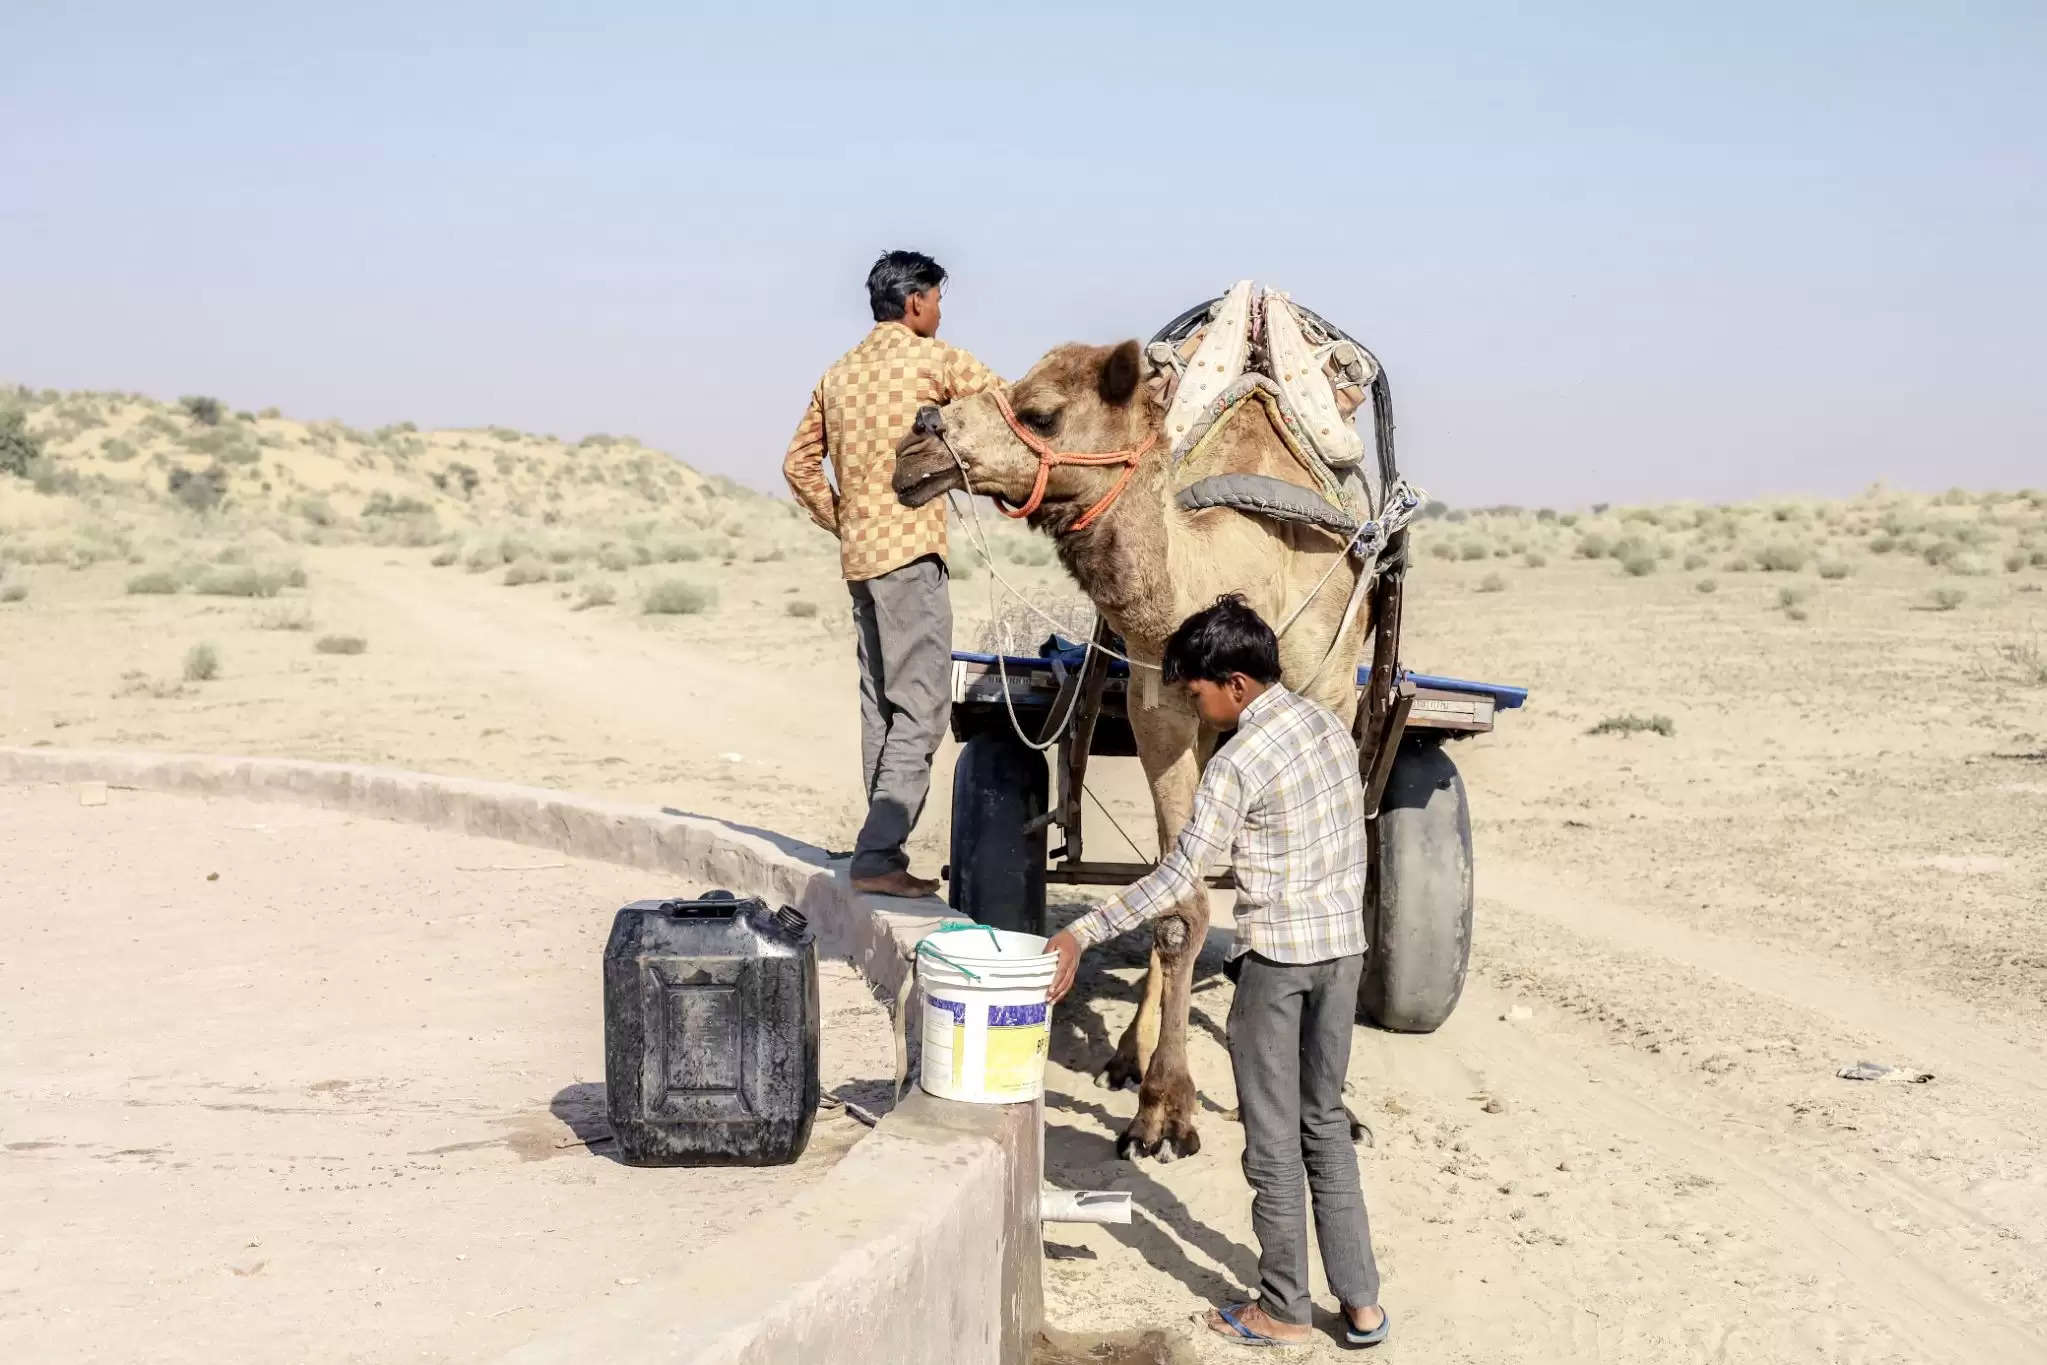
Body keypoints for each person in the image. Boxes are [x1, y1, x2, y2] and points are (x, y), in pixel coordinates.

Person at [1045, 595, 1391, 1350]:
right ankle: (1361, 1303)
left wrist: (1079, 930)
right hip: (1342, 955)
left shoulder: (1237, 760)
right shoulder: (1328, 726)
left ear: (1234, 683)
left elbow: (1179, 878)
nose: (1192, 706)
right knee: (1324, 1121)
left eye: (1195, 692)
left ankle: (1283, 1310)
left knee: (1271, 1140)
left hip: (1277, 965)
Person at [782, 250, 1006, 898]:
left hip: (860, 559)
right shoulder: (932, 359)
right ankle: (879, 853)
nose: (938, 311)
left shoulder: (837, 373)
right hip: (909, 554)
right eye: (936, 300)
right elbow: (1006, 405)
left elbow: (797, 464)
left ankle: (877, 848)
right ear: (915, 303)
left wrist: (846, 519)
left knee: (880, 704)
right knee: (925, 703)